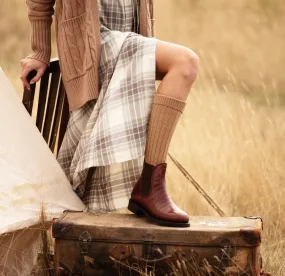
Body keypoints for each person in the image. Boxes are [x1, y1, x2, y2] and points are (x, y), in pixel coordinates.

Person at [21, 0, 199, 228]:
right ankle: (149, 187)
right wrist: (40, 51)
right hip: (93, 41)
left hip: (129, 34)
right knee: (186, 63)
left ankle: (149, 185)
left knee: (185, 66)